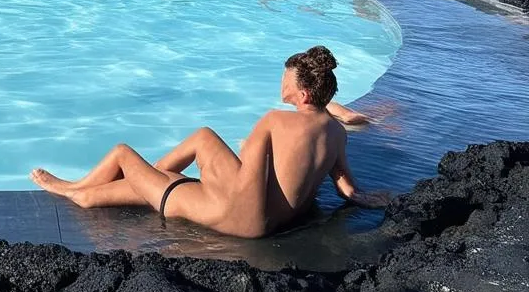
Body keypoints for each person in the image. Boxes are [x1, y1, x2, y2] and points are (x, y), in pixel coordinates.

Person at [30, 46, 390, 238]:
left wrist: (224, 161)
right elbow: (349, 190)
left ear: (304, 94)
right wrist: (375, 200)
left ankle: (71, 189)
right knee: (195, 148)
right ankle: (147, 184)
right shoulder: (337, 132)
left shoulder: (276, 120)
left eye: (286, 81)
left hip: (237, 218)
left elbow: (243, 184)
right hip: (275, 220)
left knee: (125, 153)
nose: (281, 83)